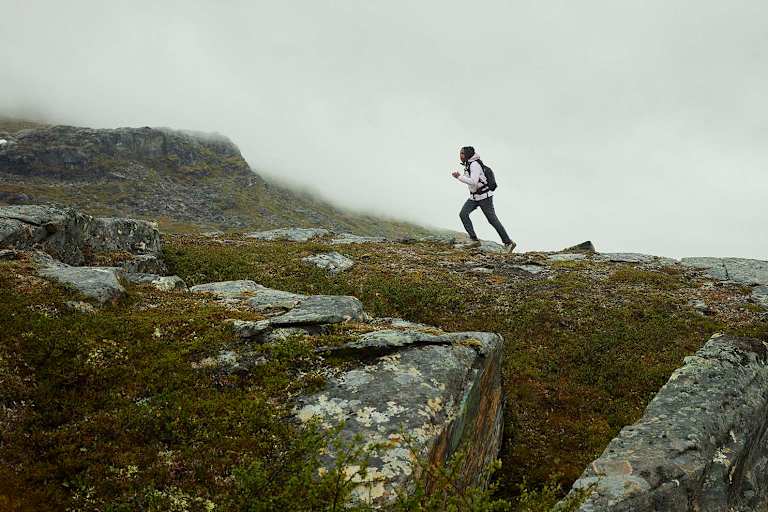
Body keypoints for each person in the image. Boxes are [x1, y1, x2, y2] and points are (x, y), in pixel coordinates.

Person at [451, 146, 516, 252]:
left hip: (485, 197)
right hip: (474, 197)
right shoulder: (468, 164)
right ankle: (474, 240)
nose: (460, 156)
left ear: (467, 155)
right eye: (460, 153)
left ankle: (509, 243)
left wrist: (459, 177)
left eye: (462, 153)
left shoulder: (474, 165)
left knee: (492, 220)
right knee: (463, 214)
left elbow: (473, 181)